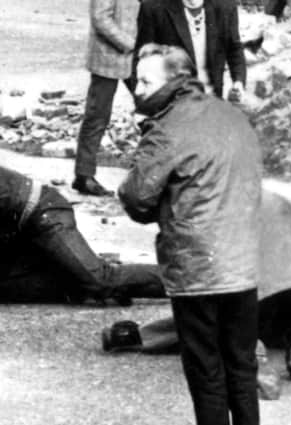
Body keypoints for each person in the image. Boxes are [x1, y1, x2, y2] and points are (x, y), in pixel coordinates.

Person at [119, 43, 261, 425]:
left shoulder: (167, 129)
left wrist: (165, 211)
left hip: (197, 269)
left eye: (145, 80)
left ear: (174, 80)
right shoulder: (233, 116)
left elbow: (135, 197)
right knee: (242, 368)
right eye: (136, 80)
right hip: (244, 263)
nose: (137, 89)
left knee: (206, 371)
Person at [103, 189, 291, 381]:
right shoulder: (279, 200)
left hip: (248, 285)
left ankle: (136, 337)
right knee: (290, 296)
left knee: (206, 318)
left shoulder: (214, 206)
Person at [0, 165, 164, 305]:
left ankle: (185, 281)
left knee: (101, 280)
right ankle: (78, 275)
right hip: (19, 224)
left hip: (43, 211)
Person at [74, 0, 140, 197]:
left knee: (156, 111)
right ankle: (84, 176)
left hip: (140, 56)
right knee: (97, 115)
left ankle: (157, 173)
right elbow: (101, 18)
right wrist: (129, 44)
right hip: (108, 56)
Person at [136, 0, 246, 100]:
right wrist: (143, 105)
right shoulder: (153, 8)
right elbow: (140, 57)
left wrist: (238, 81)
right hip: (170, 104)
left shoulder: (226, 6)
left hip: (212, 99)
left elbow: (234, 48)